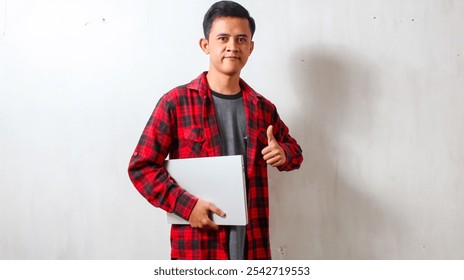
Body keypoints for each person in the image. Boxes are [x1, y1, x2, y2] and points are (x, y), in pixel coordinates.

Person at [128, 0, 303, 260]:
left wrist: (284, 153)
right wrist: (187, 207)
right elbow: (141, 167)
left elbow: (295, 153)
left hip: (251, 250)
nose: (233, 46)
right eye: (223, 38)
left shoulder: (263, 108)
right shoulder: (175, 103)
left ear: (251, 47)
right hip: (198, 251)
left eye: (242, 39)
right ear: (205, 45)